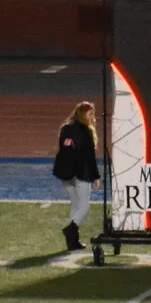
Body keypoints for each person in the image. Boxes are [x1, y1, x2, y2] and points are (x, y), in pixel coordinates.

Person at [52, 100, 100, 252]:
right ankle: (70, 230)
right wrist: (95, 176)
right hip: (81, 173)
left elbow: (63, 149)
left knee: (75, 206)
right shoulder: (86, 131)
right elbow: (89, 157)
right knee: (84, 207)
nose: (92, 117)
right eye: (90, 114)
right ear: (84, 115)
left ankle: (73, 241)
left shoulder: (65, 128)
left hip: (65, 172)